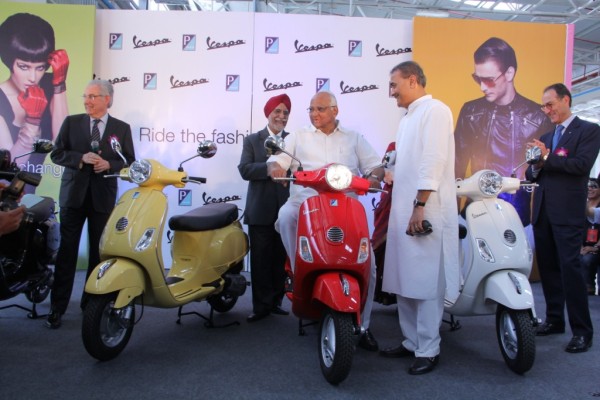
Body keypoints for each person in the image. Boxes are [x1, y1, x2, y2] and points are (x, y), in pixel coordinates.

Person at [267, 90, 383, 351]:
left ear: (335, 110)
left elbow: (375, 165)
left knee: (370, 265)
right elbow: (277, 159)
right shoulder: (299, 136)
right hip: (306, 201)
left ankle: (364, 326)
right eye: (311, 109)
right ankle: (298, 267)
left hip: (346, 205)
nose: (314, 114)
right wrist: (275, 167)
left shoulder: (353, 137)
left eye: (320, 109)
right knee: (285, 216)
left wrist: (375, 176)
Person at [378, 61, 459, 375]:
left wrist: (420, 205)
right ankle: (411, 341)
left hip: (425, 210)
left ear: (413, 80)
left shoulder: (435, 111)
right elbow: (403, 164)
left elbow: (433, 161)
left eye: (394, 84)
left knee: (425, 283)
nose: (391, 92)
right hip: (404, 211)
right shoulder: (408, 118)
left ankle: (428, 349)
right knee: (404, 279)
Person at [46, 79, 135, 329]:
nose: (87, 101)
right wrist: (80, 158)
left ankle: (91, 305)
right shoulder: (71, 122)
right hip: (73, 197)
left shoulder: (121, 128)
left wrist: (110, 164)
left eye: (93, 97)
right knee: (67, 253)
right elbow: (56, 153)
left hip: (102, 198)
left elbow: (129, 161)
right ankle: (57, 307)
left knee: (98, 254)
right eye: (85, 96)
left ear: (107, 99)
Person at [525, 83, 600, 353]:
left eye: (550, 104)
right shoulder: (546, 136)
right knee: (548, 269)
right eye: (543, 106)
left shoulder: (589, 130)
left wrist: (546, 158)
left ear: (565, 100)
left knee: (571, 270)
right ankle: (554, 320)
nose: (546, 110)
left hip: (567, 212)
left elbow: (581, 166)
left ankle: (582, 331)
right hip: (543, 211)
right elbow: (532, 174)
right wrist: (535, 164)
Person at [455, 37, 553, 227]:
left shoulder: (537, 117)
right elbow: (456, 166)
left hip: (520, 216)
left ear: (509, 73)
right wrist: (453, 214)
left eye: (489, 80)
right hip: (474, 212)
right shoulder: (470, 111)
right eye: (477, 78)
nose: (482, 87)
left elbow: (544, 175)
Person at [238, 93, 292, 323]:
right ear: (268, 113)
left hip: (287, 210)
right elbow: (245, 169)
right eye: (277, 111)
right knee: (260, 261)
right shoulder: (252, 140)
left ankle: (276, 302)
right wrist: (268, 168)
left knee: (280, 260)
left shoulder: (294, 140)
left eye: (286, 113)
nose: (281, 116)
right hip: (260, 210)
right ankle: (260, 306)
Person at [0, 13, 69, 167]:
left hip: (35, 182)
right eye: (24, 67)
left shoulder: (49, 85)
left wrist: (59, 85)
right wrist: (32, 121)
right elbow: (7, 169)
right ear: (9, 61)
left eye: (40, 68)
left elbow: (62, 143)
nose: (33, 77)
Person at [372, 141, 396, 305]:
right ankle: (380, 290)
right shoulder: (394, 146)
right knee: (381, 243)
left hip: (414, 200)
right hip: (391, 200)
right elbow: (385, 169)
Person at [581, 178, 600, 296]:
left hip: (597, 247)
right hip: (584, 246)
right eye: (587, 186)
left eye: (593, 186)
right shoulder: (584, 204)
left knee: (588, 258)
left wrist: (595, 248)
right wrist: (580, 246)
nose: (589, 188)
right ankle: (585, 287)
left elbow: (589, 212)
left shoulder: (589, 209)